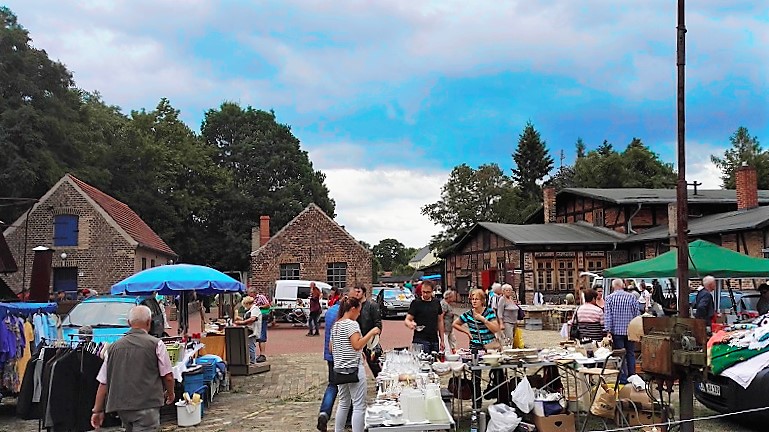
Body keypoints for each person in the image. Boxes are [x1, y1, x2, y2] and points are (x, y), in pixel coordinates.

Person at [91, 306, 175, 431]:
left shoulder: (113, 348)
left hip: (122, 407)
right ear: (149, 322)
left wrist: (97, 410)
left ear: (129, 323)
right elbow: (167, 376)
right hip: (147, 404)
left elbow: (104, 382)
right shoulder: (156, 344)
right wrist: (171, 393)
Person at [331, 296, 380, 432]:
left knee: (343, 403)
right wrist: (371, 332)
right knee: (359, 405)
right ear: (352, 309)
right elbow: (357, 345)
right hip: (353, 368)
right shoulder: (352, 324)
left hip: (339, 368)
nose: (359, 314)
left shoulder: (336, 325)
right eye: (358, 311)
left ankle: (338, 430)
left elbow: (332, 347)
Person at [453, 289, 501, 409]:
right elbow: (455, 323)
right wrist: (467, 332)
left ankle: (500, 399)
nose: (474, 301)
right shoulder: (468, 314)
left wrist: (483, 319)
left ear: (482, 301)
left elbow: (496, 328)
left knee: (498, 373)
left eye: (476, 299)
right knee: (476, 376)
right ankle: (477, 404)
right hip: (475, 346)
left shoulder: (489, 312)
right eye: (472, 299)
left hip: (490, 346)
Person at [317, 288, 344, 432]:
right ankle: (348, 418)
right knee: (349, 388)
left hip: (330, 355)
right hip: (342, 356)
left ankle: (324, 413)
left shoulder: (330, 311)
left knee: (332, 385)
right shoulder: (344, 315)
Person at [604, 279, 639, 384]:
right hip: (629, 331)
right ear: (623, 285)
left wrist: (608, 331)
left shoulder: (609, 298)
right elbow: (636, 314)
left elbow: (608, 316)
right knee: (631, 354)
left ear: (613, 286)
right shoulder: (631, 297)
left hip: (617, 331)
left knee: (620, 356)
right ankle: (632, 376)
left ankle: (623, 379)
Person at [350, 283, 383, 377]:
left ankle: (380, 381)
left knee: (375, 363)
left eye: (358, 292)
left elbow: (378, 323)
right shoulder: (353, 306)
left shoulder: (372, 305)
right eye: (355, 292)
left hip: (369, 339)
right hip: (357, 339)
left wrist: (374, 340)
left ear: (364, 292)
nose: (356, 294)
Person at [404, 280, 444, 353]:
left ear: (432, 291)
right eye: (423, 292)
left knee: (434, 362)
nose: (425, 294)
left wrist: (442, 340)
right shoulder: (416, 303)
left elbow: (440, 321)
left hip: (434, 339)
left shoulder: (436, 302)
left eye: (428, 292)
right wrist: (410, 324)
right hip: (420, 339)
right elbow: (407, 319)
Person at [234, 296, 262, 363]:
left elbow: (252, 318)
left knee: (251, 346)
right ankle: (250, 360)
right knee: (249, 345)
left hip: (253, 331)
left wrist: (241, 322)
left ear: (248, 304)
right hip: (249, 330)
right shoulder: (250, 310)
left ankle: (253, 361)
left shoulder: (255, 309)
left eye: (245, 305)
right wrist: (239, 318)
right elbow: (247, 318)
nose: (245, 307)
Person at [254, 291, 271, 362]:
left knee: (261, 335)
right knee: (254, 336)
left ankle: (262, 355)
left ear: (254, 293)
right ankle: (253, 355)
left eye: (250, 294)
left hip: (262, 317)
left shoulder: (261, 297)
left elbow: (268, 305)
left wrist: (259, 307)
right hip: (255, 318)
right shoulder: (251, 299)